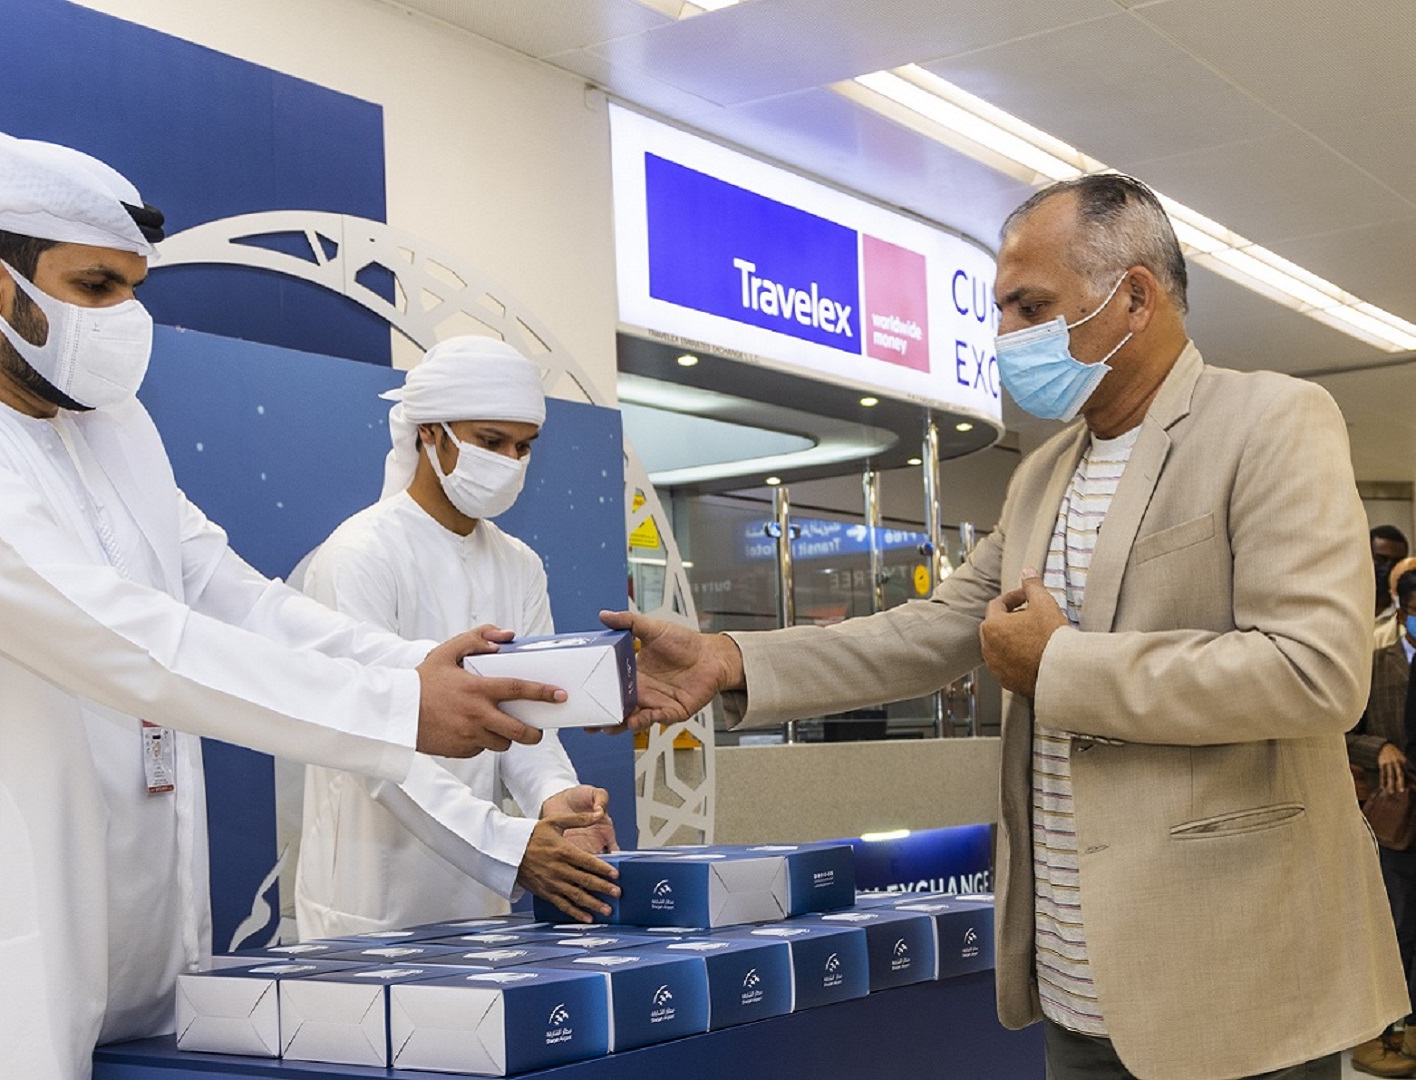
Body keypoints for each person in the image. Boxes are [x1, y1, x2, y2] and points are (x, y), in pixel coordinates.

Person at [0, 127, 571, 1080]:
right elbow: (119, 638)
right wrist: (399, 713)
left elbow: (235, 598)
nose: (124, 319)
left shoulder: (114, 435)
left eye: (133, 292)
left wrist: (411, 667)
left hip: (135, 938)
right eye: (96, 289)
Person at [603, 173, 1405, 1079]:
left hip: (1228, 978)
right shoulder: (1046, 472)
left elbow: (1314, 672)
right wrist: (728, 656)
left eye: (1032, 306)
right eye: (1002, 311)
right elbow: (936, 628)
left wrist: (1062, 664)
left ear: (1133, 297)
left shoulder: (1273, 420)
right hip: (1072, 982)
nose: (1007, 338)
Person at [291, 337, 620, 937]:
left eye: (523, 447)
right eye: (490, 441)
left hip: (483, 893)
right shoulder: (360, 555)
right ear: (430, 433)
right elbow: (372, 742)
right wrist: (504, 845)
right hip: (369, 903)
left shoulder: (519, 564)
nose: (510, 461)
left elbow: (527, 717)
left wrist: (555, 799)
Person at [1352, 563, 1416, 1077]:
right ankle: (1382, 1031)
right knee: (1394, 923)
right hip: (1394, 814)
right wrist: (1383, 747)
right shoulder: (1376, 659)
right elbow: (1341, 733)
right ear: (1403, 607)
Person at [1375, 526, 1411, 647]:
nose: (1388, 568)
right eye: (1380, 560)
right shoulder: (1342, 605)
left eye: (1396, 562)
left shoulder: (1407, 617)